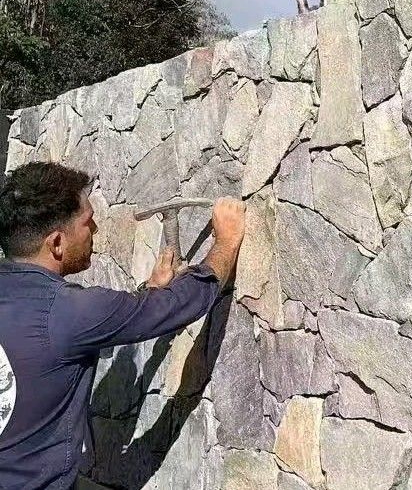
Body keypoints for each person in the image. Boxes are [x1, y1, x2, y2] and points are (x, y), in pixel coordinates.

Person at [0, 161, 246, 490]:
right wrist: (226, 242)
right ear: (56, 243)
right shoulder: (66, 312)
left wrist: (149, 292)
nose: (95, 229)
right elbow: (181, 304)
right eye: (87, 221)